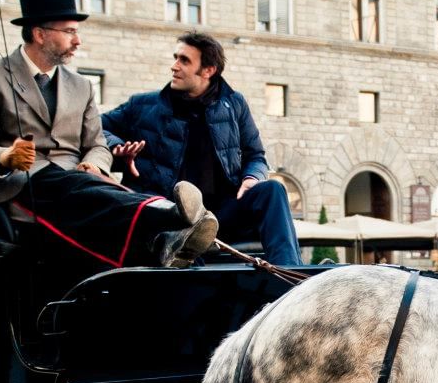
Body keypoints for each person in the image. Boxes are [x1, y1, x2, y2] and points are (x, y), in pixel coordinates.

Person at [0, 0, 216, 267]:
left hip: (77, 182)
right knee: (82, 189)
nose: (77, 40)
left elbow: (97, 144)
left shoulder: (81, 85)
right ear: (39, 34)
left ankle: (167, 237)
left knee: (99, 190)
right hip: (21, 185)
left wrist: (95, 164)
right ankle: (170, 218)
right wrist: (5, 156)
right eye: (69, 31)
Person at [100, 32, 299, 267]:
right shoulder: (143, 105)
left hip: (222, 216)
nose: (174, 66)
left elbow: (255, 155)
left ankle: (289, 280)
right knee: (187, 239)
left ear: (208, 70)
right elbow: (93, 126)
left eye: (184, 60)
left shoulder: (234, 104)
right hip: (171, 215)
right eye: (176, 58)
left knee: (273, 189)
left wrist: (252, 178)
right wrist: (117, 147)